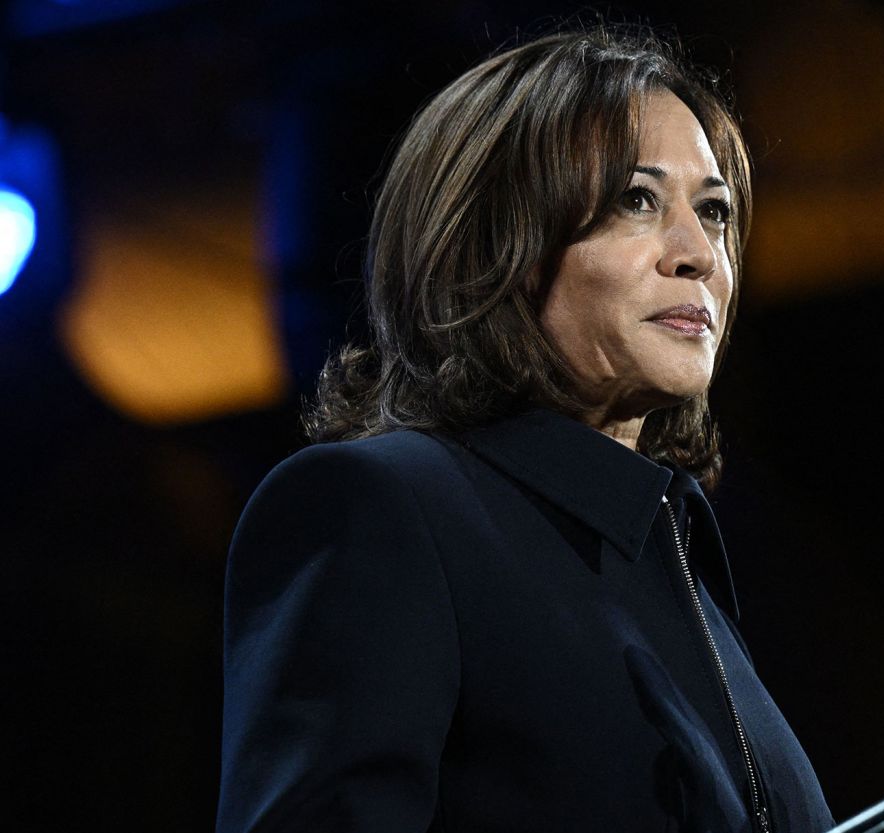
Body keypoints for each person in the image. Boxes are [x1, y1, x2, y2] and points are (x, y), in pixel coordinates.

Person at [214, 26, 835, 833]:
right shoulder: (385, 509)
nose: (698, 255)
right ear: (499, 243)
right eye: (635, 200)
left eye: (713, 211)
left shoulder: (682, 555)